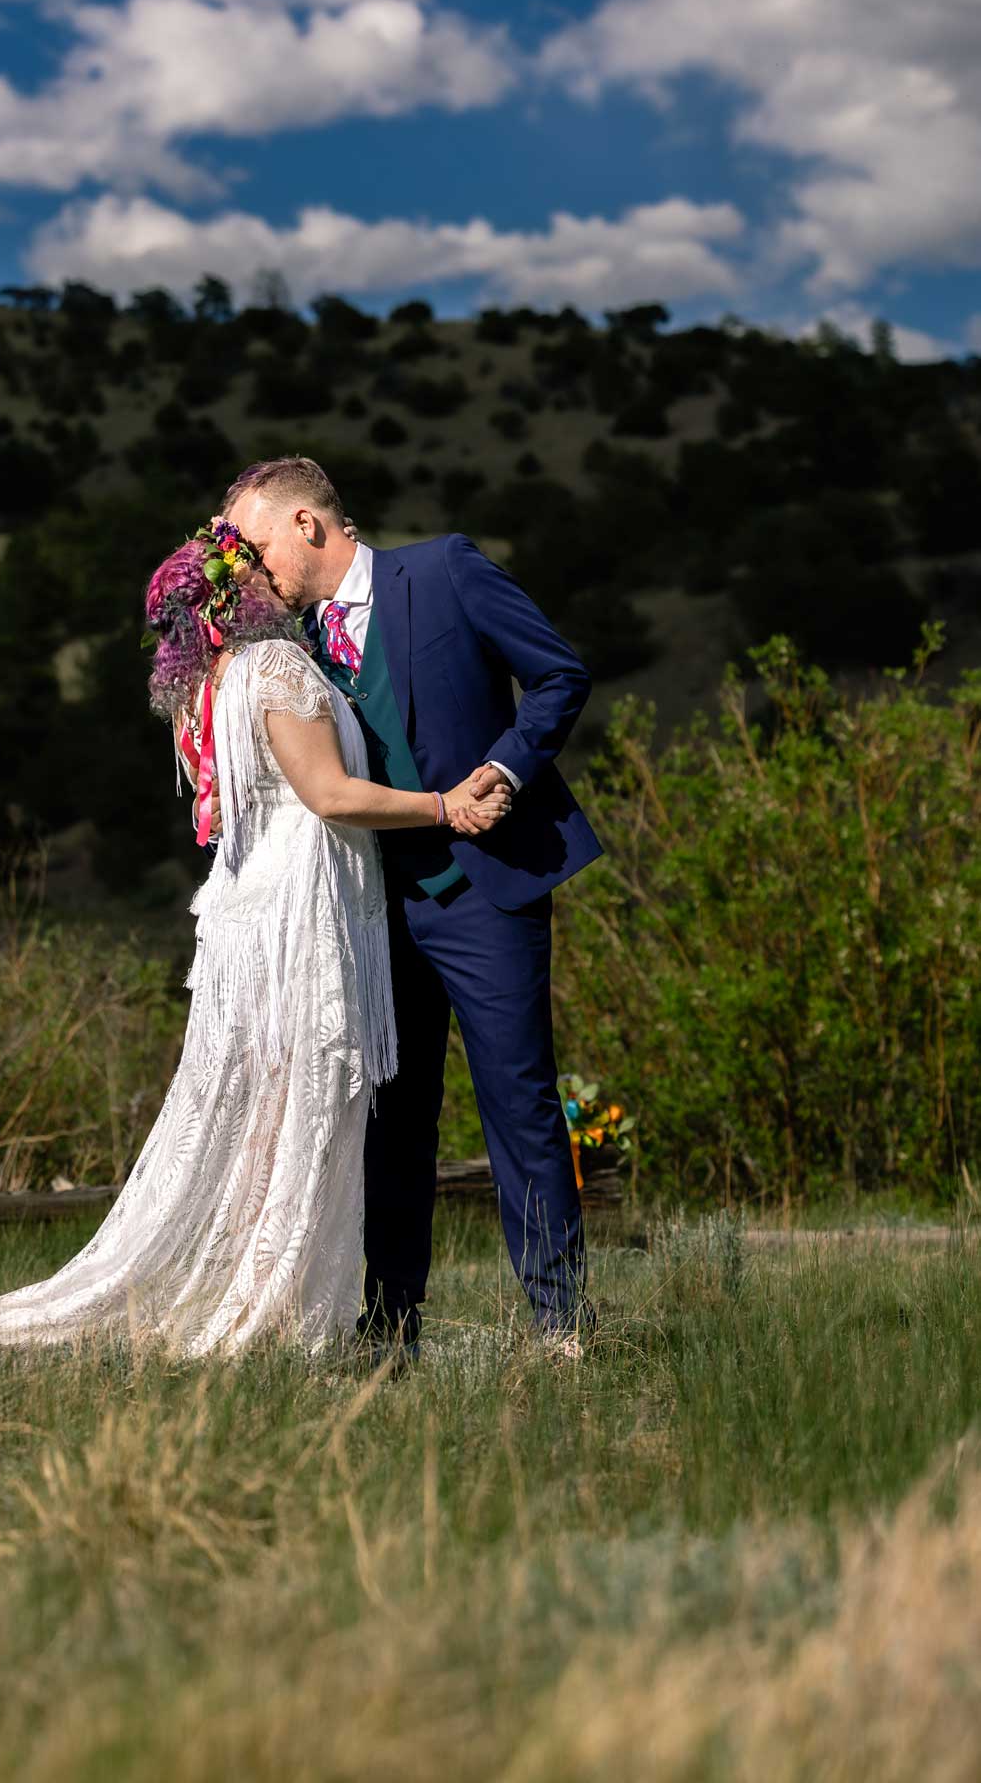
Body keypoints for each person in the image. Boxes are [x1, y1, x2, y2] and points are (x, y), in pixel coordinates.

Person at [0, 519, 507, 1359]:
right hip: (298, 913)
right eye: (254, 565)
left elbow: (220, 806)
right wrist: (444, 806)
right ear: (236, 592)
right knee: (294, 1107)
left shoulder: (204, 686)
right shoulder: (274, 665)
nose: (273, 572)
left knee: (266, 1108)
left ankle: (270, 1293)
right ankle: (271, 1308)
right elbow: (329, 794)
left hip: (249, 908)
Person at [223, 458, 603, 1362]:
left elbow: (559, 675)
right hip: (368, 907)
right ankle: (390, 1331)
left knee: (518, 1103)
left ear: (308, 524)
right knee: (391, 1121)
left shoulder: (444, 570)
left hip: (486, 888)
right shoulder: (288, 648)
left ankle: (560, 1326)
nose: (249, 565)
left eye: (256, 543)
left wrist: (505, 769)